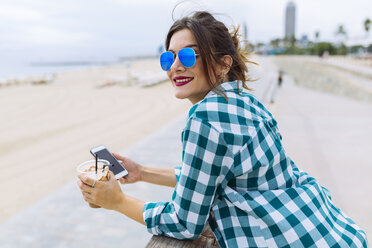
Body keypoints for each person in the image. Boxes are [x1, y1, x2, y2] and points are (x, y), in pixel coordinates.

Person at [77, 11, 368, 247]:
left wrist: (116, 201)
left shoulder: (205, 118)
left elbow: (185, 222)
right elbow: (216, 176)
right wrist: (143, 173)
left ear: (222, 64)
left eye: (188, 56)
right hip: (328, 232)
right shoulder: (246, 101)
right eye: (168, 58)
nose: (175, 66)